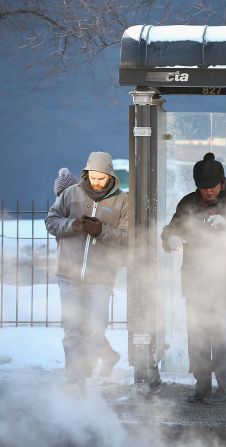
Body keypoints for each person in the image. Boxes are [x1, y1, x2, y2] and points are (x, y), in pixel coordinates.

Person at [160, 152, 226, 404]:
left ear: (222, 182)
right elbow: (172, 228)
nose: (207, 191)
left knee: (225, 333)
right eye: (202, 187)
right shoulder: (187, 203)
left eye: (212, 186)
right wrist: (169, 238)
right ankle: (202, 383)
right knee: (199, 332)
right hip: (196, 281)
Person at [45, 152, 128, 394]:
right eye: (92, 176)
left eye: (101, 177)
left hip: (101, 278)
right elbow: (51, 221)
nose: (96, 181)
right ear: (86, 174)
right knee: (72, 331)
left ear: (110, 175)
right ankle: (75, 380)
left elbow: (126, 239)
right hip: (68, 275)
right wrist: (73, 225)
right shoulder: (71, 194)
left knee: (94, 331)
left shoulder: (122, 202)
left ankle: (95, 366)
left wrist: (101, 230)